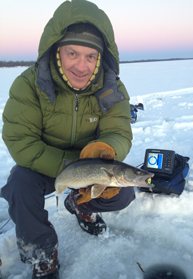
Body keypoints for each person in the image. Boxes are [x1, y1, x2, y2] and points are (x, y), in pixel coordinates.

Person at [0, 0, 135, 278]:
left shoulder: (111, 87)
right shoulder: (29, 84)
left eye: (91, 56)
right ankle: (43, 255)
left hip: (91, 163)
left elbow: (119, 131)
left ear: (101, 58)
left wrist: (106, 150)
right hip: (45, 165)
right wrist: (69, 168)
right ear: (56, 51)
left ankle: (79, 204)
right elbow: (21, 140)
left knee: (122, 192)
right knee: (19, 187)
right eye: (72, 53)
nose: (82, 67)